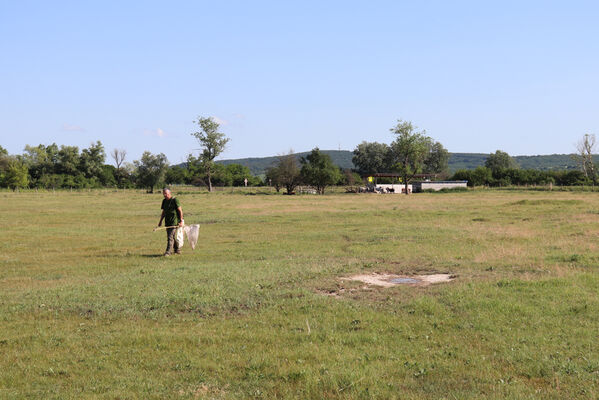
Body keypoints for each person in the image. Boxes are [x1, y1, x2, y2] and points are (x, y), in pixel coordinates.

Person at [157, 188, 183, 256]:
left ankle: (168, 252)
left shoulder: (175, 200)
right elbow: (164, 212)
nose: (165, 195)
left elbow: (180, 210)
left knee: (170, 237)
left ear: (170, 193)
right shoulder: (164, 201)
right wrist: (160, 221)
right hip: (167, 222)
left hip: (174, 222)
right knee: (172, 237)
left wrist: (181, 221)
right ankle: (177, 250)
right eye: (164, 194)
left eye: (166, 194)